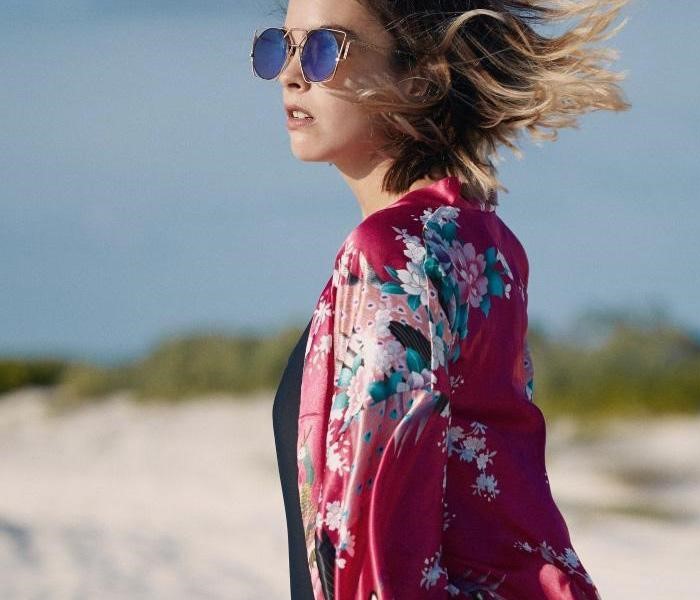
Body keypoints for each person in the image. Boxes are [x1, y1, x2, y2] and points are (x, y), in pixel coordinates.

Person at [259, 0, 631, 598]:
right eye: (282, 45)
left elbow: (376, 546)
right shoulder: (484, 239)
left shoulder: (388, 253)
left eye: (326, 48)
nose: (291, 73)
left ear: (421, 77)